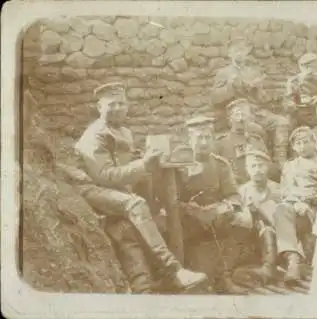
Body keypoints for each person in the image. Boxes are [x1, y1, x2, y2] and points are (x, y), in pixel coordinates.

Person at [73, 82, 207, 294]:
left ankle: (145, 285)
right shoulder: (95, 135)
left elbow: (124, 164)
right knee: (135, 204)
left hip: (115, 190)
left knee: (133, 224)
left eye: (121, 103)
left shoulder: (124, 131)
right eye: (111, 104)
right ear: (99, 107)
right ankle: (174, 270)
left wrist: (146, 160)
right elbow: (104, 176)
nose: (117, 108)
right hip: (91, 189)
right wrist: (143, 164)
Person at [176, 115, 250, 294]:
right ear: (189, 139)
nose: (203, 142)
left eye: (207, 137)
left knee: (240, 220)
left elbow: (233, 196)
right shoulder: (179, 165)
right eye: (199, 137)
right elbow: (169, 199)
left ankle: (224, 277)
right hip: (187, 219)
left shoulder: (220, 165)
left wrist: (220, 209)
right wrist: (190, 210)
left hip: (214, 218)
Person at [210, 39, 290, 169]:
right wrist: (231, 86)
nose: (240, 54)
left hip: (256, 111)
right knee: (253, 128)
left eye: (242, 50)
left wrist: (258, 89)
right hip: (237, 111)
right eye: (236, 51)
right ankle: (253, 164)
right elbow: (214, 99)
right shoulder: (224, 73)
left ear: (246, 53)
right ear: (229, 54)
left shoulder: (252, 72)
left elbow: (262, 99)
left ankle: (280, 162)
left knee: (282, 122)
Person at [275, 126, 317, 286]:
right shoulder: (290, 166)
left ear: (314, 142)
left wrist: (313, 198)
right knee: (281, 209)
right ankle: (293, 260)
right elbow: (285, 190)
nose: (302, 146)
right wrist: (297, 202)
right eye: (298, 143)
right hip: (297, 207)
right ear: (293, 147)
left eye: (306, 142)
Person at [232, 147, 281, 285]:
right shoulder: (242, 191)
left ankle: (269, 267)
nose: (257, 169)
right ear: (247, 169)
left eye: (261, 165)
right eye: (253, 166)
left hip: (275, 236)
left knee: (268, 223)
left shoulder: (277, 189)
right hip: (249, 237)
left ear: (268, 167)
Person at [216, 98, 280, 184]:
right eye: (237, 115)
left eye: (244, 115)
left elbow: (267, 165)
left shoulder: (256, 139)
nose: (241, 119)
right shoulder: (222, 142)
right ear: (230, 118)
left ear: (250, 118)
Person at [283, 52, 317, 129]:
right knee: (291, 120)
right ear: (301, 67)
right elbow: (288, 99)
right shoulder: (294, 81)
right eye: (308, 67)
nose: (311, 69)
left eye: (314, 66)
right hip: (301, 110)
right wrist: (293, 105)